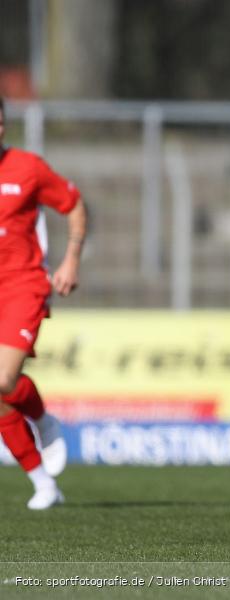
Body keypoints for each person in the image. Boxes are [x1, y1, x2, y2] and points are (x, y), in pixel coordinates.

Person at [0, 97, 87, 509]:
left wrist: (71, 258)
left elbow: (72, 204)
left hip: (23, 286)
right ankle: (43, 483)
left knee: (1, 380)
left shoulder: (27, 168)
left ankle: (42, 418)